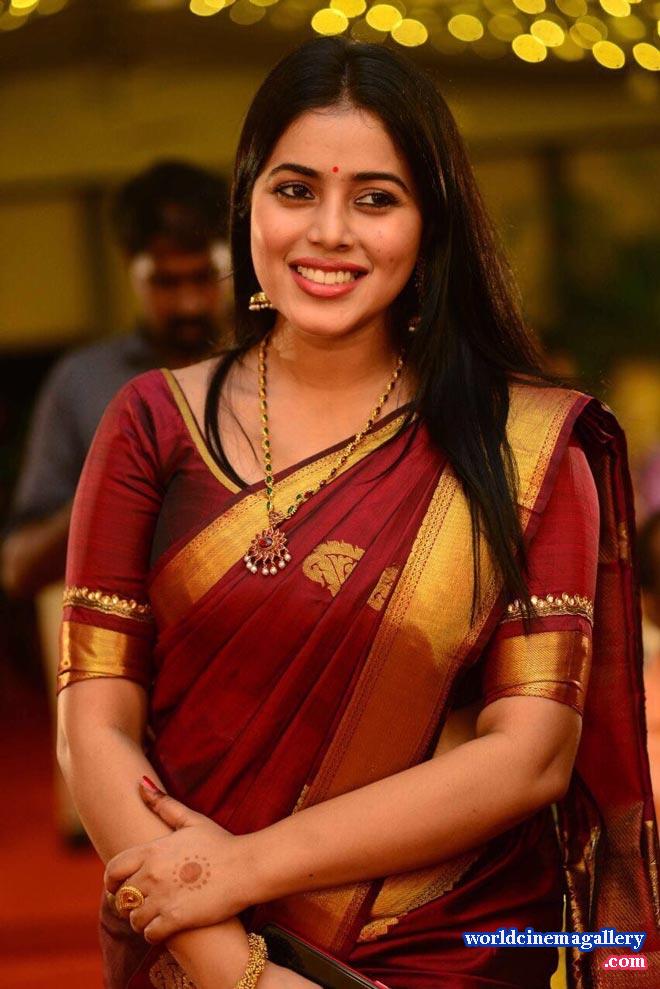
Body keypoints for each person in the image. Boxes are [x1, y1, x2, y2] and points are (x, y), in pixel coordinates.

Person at [56, 38, 659, 989]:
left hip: (453, 950)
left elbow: (531, 754)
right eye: (295, 190)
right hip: (191, 949)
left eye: (377, 198)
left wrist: (242, 868)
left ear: (431, 223)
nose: (329, 231)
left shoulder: (525, 447)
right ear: (247, 203)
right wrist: (235, 966)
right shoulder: (152, 425)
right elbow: (93, 724)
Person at [1, 159, 230, 599]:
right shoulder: (82, 381)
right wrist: (114, 487)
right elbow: (17, 566)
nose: (188, 304)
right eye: (165, 282)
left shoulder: (268, 364)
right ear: (130, 267)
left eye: (204, 277)